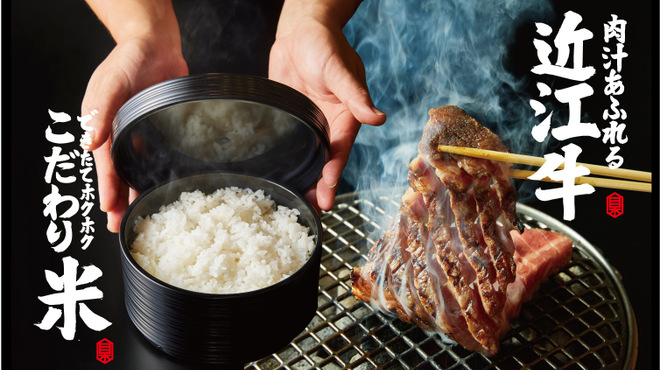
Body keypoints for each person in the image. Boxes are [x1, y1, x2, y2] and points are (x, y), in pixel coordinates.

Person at [82, 0, 385, 233]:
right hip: (159, 102)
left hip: (302, 93)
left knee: (322, 206)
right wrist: (141, 31)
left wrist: (313, 15)